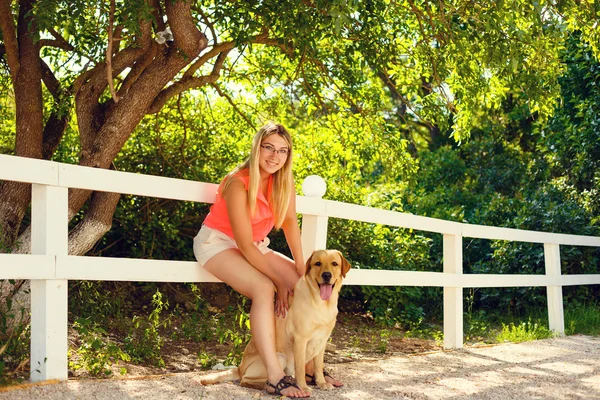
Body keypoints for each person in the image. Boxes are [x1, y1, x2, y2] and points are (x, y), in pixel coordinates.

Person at [193, 123, 341, 397]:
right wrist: (277, 280)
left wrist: (302, 270)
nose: (275, 156)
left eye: (283, 151)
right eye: (269, 148)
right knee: (264, 288)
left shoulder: (283, 182)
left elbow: (290, 228)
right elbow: (245, 245)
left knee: (302, 285)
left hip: (255, 246)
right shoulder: (238, 183)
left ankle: (306, 368)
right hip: (218, 243)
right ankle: (274, 375)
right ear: (257, 148)